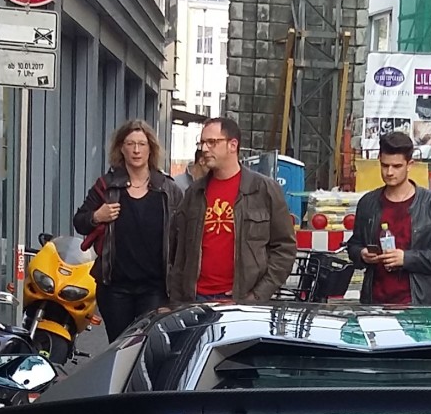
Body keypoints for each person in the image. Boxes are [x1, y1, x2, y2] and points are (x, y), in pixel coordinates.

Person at [167, 116, 297, 304]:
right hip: (195, 300)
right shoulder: (194, 193)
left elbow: (285, 249)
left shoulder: (263, 190)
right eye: (202, 142)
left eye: (212, 142)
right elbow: (180, 254)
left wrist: (256, 296)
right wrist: (176, 302)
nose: (204, 149)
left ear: (232, 145)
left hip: (242, 303)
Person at [74, 119, 181, 340]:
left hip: (155, 288)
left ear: (150, 149)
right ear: (121, 148)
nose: (136, 150)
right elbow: (80, 221)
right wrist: (97, 216)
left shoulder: (167, 189)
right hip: (115, 287)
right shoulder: (107, 186)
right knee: (119, 346)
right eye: (130, 143)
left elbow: (183, 237)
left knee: (148, 345)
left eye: (141, 144)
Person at [344, 130, 431, 306]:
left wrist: (406, 258)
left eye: (396, 166)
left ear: (409, 164)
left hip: (419, 304)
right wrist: (362, 254)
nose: (389, 172)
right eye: (384, 165)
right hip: (375, 303)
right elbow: (354, 245)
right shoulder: (367, 203)